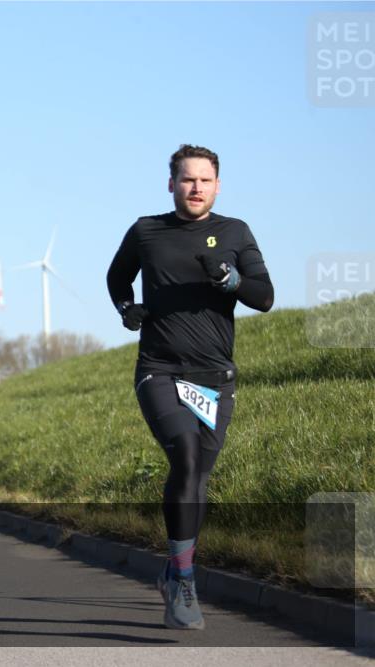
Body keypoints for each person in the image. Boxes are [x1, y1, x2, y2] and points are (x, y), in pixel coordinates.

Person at [106, 144, 274, 631]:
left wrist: (232, 279)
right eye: (186, 179)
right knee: (184, 454)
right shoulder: (146, 231)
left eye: (204, 180)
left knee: (197, 479)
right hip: (159, 368)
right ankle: (184, 581)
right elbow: (118, 278)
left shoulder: (235, 232)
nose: (195, 187)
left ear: (217, 186)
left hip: (215, 377)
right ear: (171, 184)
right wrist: (127, 309)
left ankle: (172, 570)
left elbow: (264, 297)